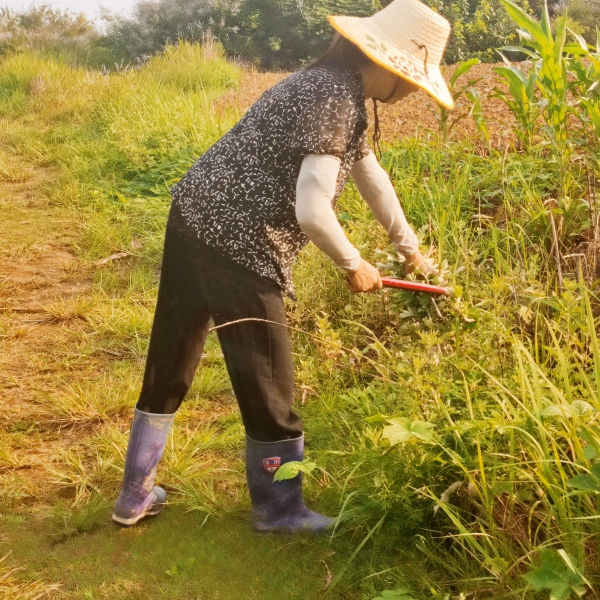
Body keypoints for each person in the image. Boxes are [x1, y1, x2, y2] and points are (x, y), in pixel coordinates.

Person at [112, 0, 453, 533]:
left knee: (172, 353)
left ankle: (133, 495)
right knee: (268, 376)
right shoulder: (334, 96)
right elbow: (312, 210)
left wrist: (410, 250)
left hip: (193, 214)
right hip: (240, 241)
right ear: (385, 63)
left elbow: (371, 177)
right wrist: (353, 262)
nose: (413, 91)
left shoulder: (332, 86)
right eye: (413, 78)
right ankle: (280, 511)